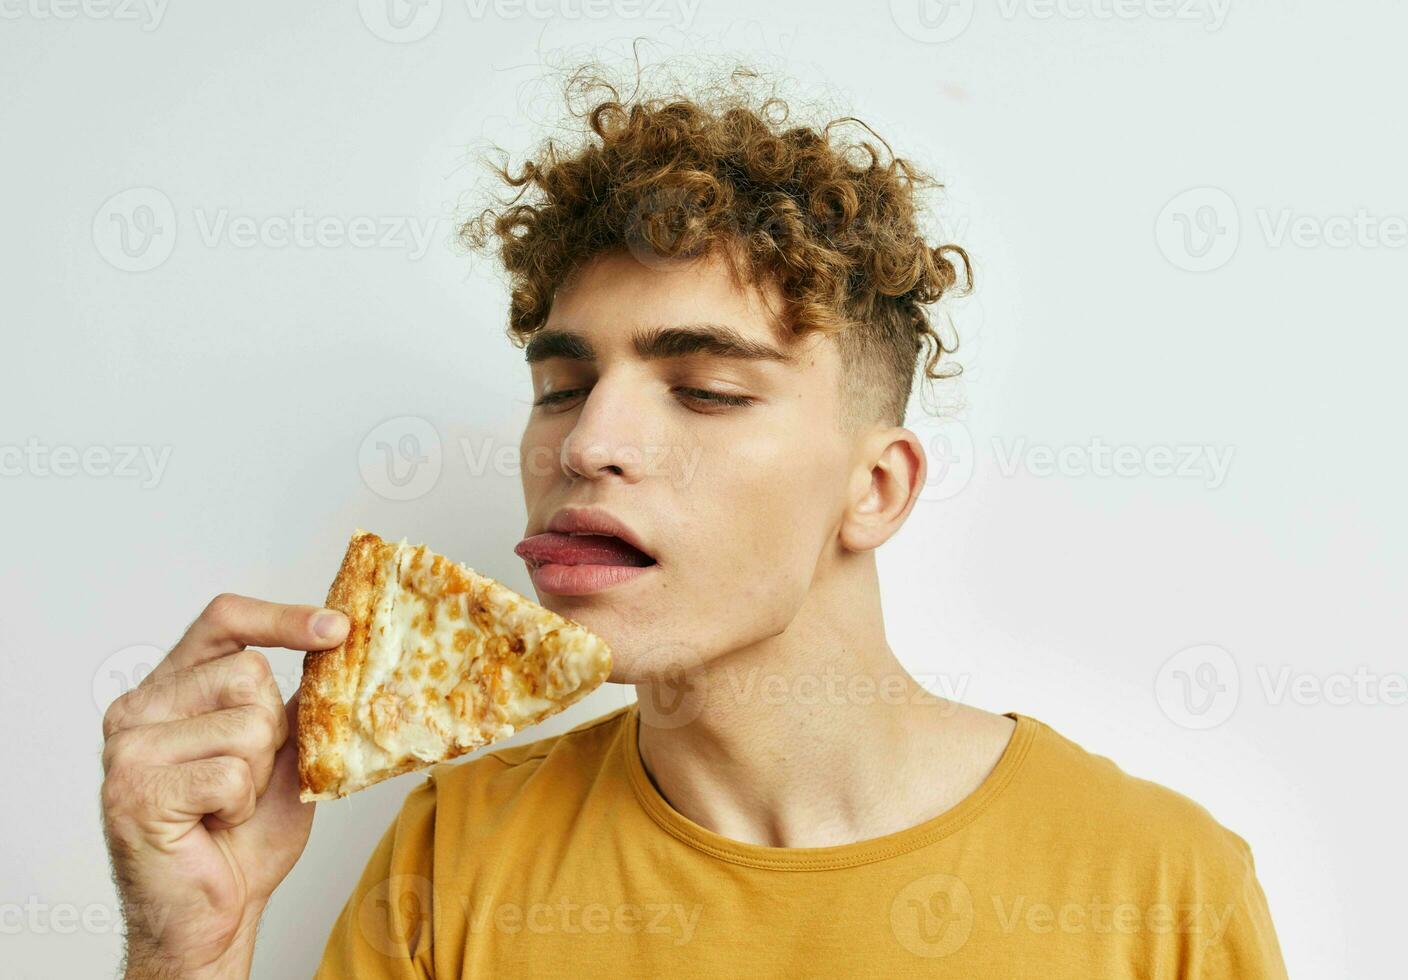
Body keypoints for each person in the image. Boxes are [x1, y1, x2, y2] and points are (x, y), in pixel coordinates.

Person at [100, 67, 1289, 978]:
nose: (585, 442)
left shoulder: (1159, 887)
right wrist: (186, 952)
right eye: (562, 385)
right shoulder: (450, 854)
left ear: (874, 489)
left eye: (706, 387)